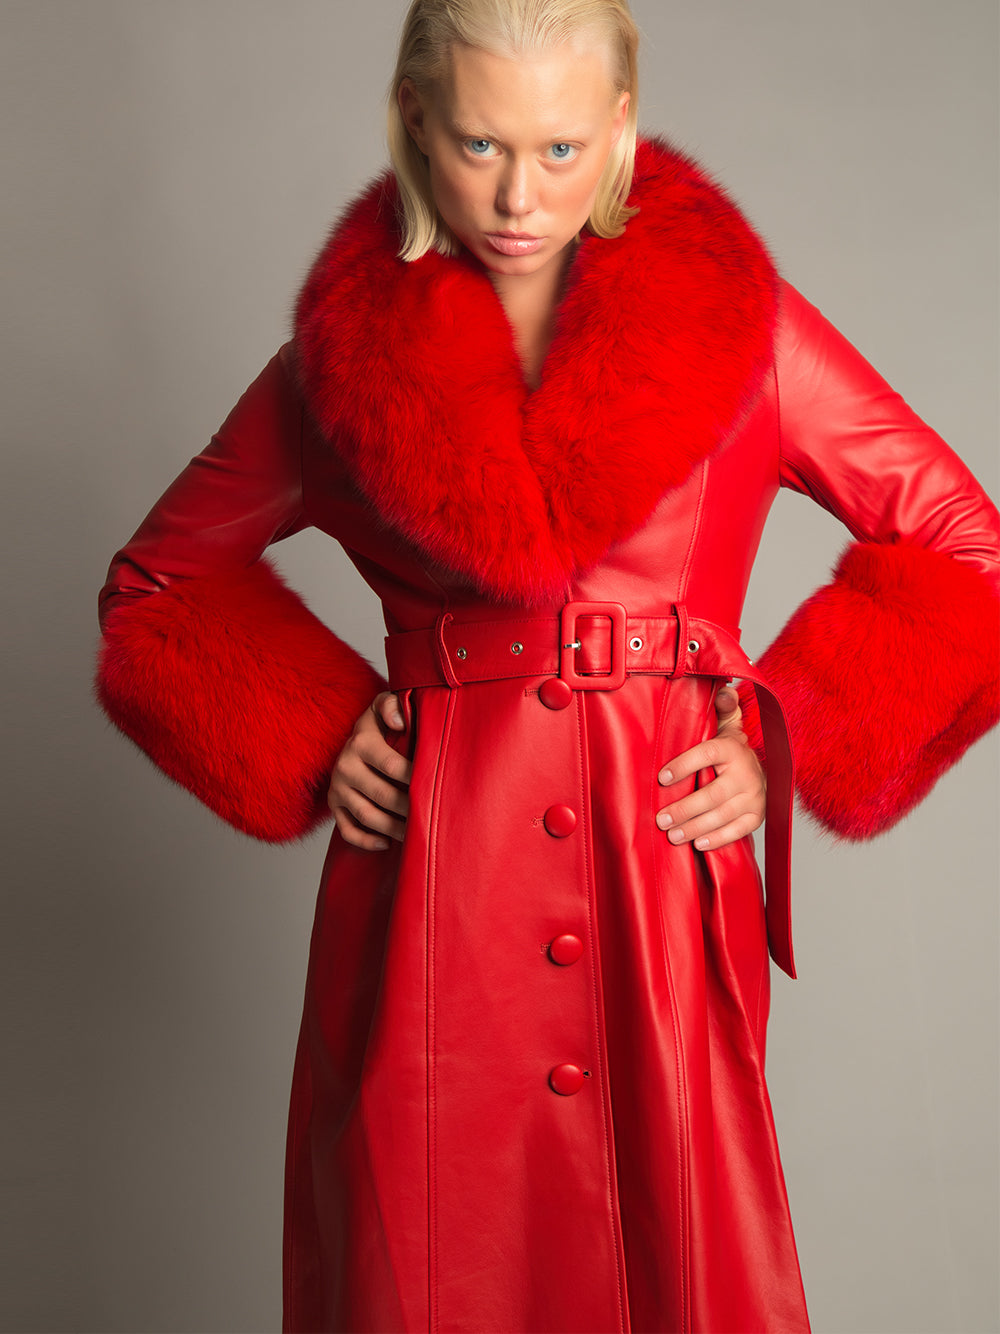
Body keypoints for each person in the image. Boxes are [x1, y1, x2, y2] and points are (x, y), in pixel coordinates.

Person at [95, 1, 1000, 1330]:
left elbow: (967, 547)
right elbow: (158, 588)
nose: (520, 196)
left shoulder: (740, 330)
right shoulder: (342, 368)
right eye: (480, 145)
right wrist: (312, 728)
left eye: (562, 148)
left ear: (621, 128)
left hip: (654, 870)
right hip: (434, 888)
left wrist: (787, 734)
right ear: (414, 123)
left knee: (676, 1256)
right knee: (425, 1261)